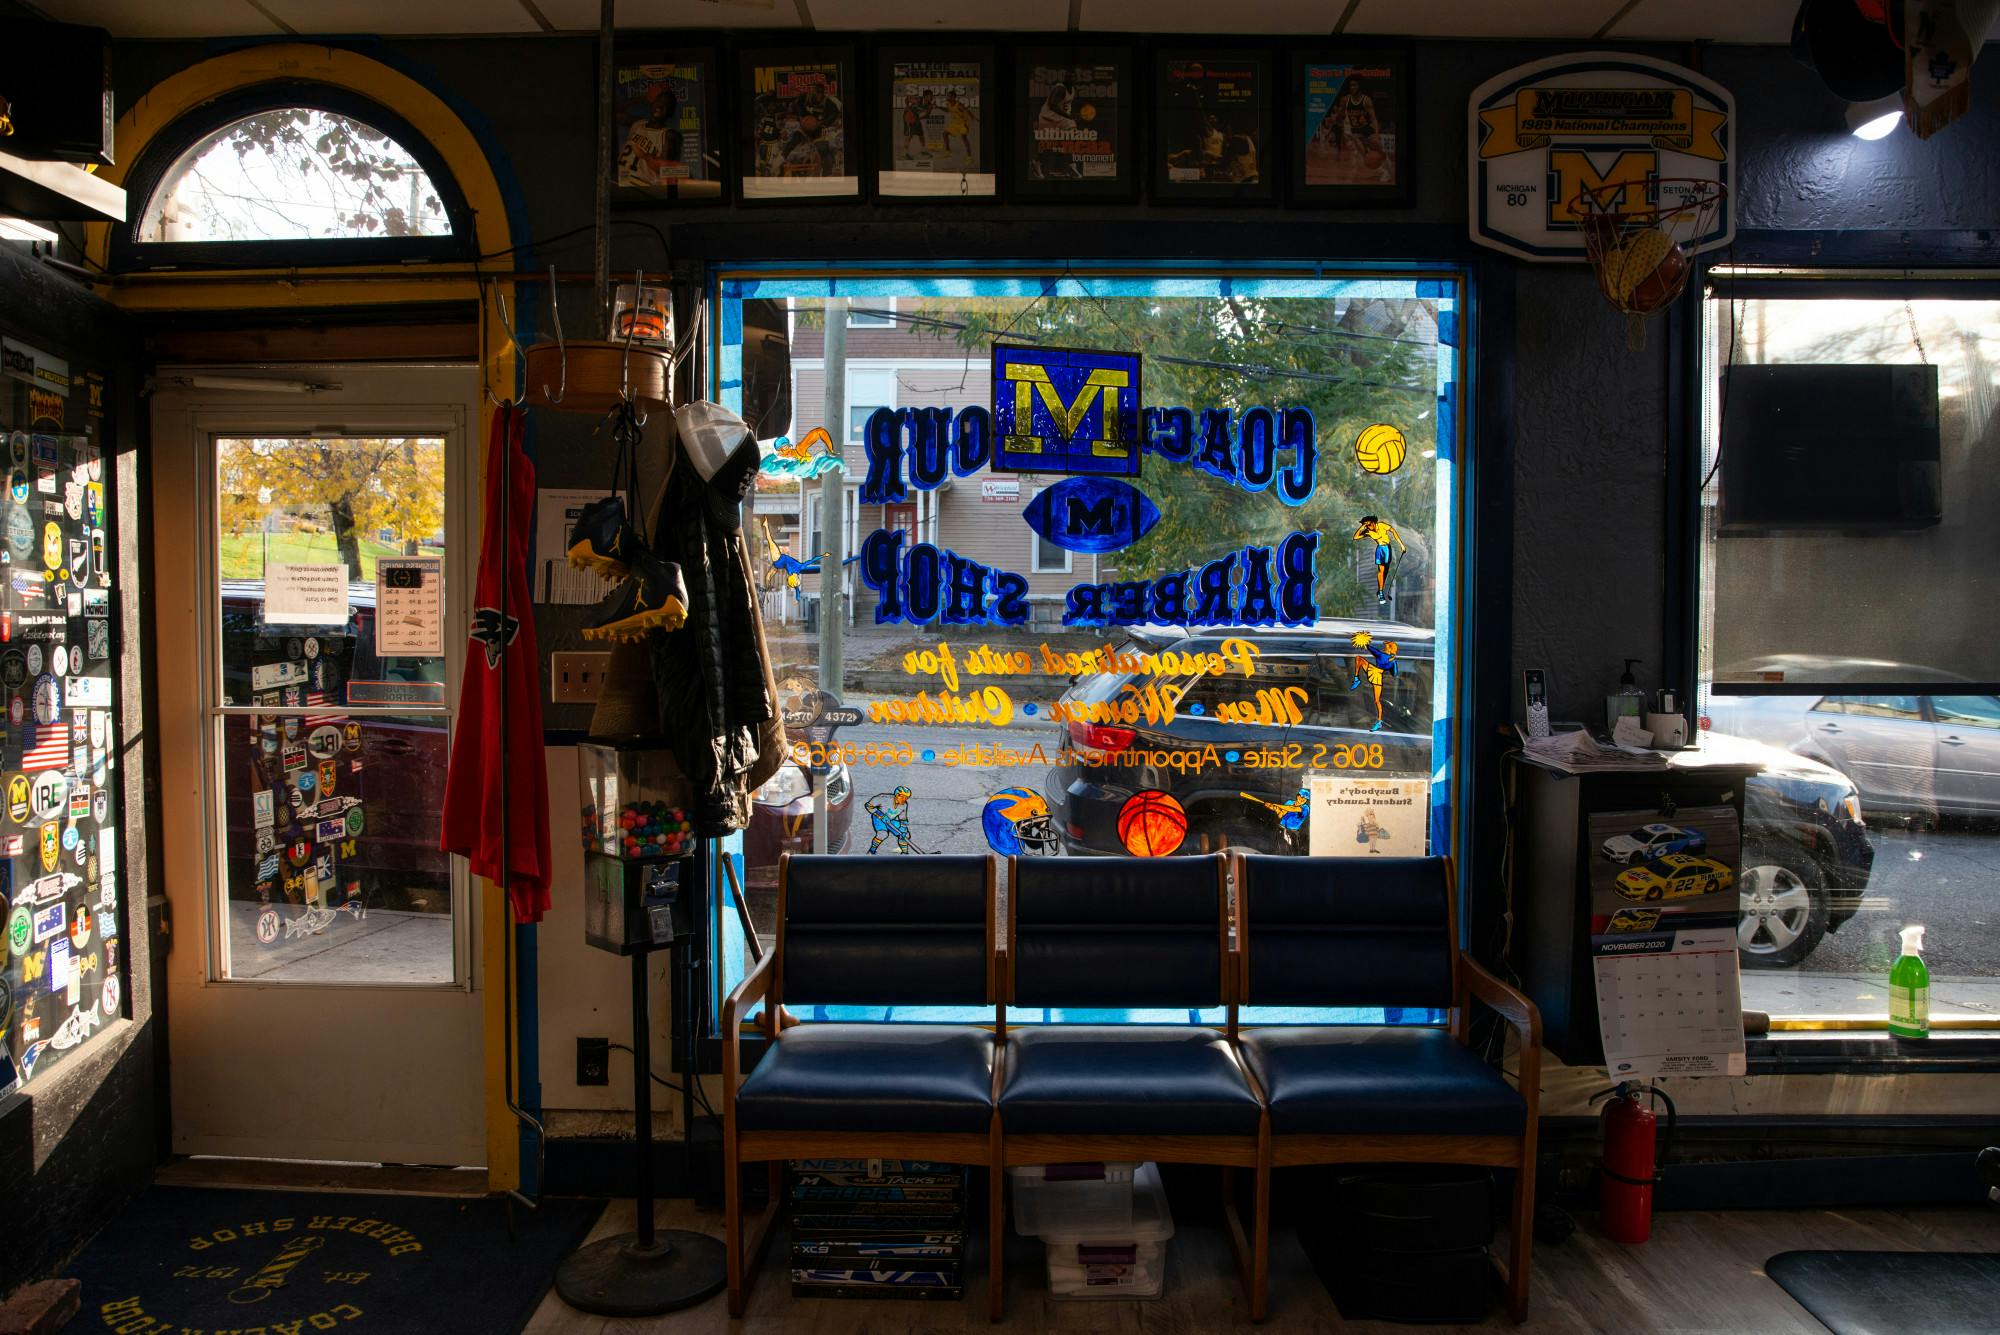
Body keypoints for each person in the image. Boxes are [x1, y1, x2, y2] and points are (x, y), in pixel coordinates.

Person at [618, 82, 683, 187]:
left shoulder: (669, 135)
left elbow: (669, 173)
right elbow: (613, 112)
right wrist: (643, 99)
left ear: (670, 112)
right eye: (658, 100)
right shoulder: (638, 124)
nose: (660, 106)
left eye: (666, 105)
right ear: (652, 102)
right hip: (620, 182)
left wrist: (646, 157)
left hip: (641, 186)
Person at [1348, 631, 1400, 733]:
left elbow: (1370, 648)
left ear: (1390, 648)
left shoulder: (1384, 657)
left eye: (1386, 646)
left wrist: (1393, 661)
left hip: (1377, 675)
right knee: (1359, 659)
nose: (1385, 647)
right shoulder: (1386, 657)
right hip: (1374, 670)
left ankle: (1379, 721)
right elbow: (1395, 674)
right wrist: (1393, 661)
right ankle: (1356, 679)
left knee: (1377, 701)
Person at [1353, 514, 1405, 605]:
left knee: (1386, 570)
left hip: (1387, 548)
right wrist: (1362, 527)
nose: (1367, 526)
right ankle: (1380, 592)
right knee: (1381, 570)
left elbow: (1393, 531)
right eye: (1366, 525)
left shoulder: (1381, 525)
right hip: (1380, 549)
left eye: (1368, 524)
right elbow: (1356, 537)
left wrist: (1401, 545)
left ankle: (1382, 589)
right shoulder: (1368, 531)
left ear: (1373, 522)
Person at [1033, 81, 1079, 179]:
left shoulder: (1072, 90)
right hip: (1048, 117)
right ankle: (1037, 163)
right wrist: (1069, 116)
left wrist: (1070, 115)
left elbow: (1066, 106)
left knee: (1070, 135)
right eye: (1069, 76)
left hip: (1059, 118)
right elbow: (1053, 105)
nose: (1072, 78)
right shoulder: (1060, 88)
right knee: (1045, 143)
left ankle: (1070, 164)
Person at [865, 786, 917, 854]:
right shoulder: (883, 797)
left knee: (905, 835)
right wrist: (879, 814)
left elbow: (903, 819)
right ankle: (872, 850)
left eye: (907, 798)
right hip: (879, 819)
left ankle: (905, 853)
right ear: (897, 795)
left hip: (891, 820)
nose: (905, 799)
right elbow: (868, 805)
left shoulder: (904, 804)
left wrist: (903, 829)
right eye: (903, 797)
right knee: (882, 834)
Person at [943, 92, 976, 165]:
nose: (947, 97)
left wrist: (972, 117)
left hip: (963, 123)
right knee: (945, 133)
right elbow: (947, 110)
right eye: (947, 96)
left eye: (948, 96)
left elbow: (966, 110)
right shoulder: (948, 104)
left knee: (964, 137)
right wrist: (938, 107)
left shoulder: (959, 105)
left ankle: (969, 157)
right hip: (955, 123)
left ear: (953, 97)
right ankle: (948, 151)